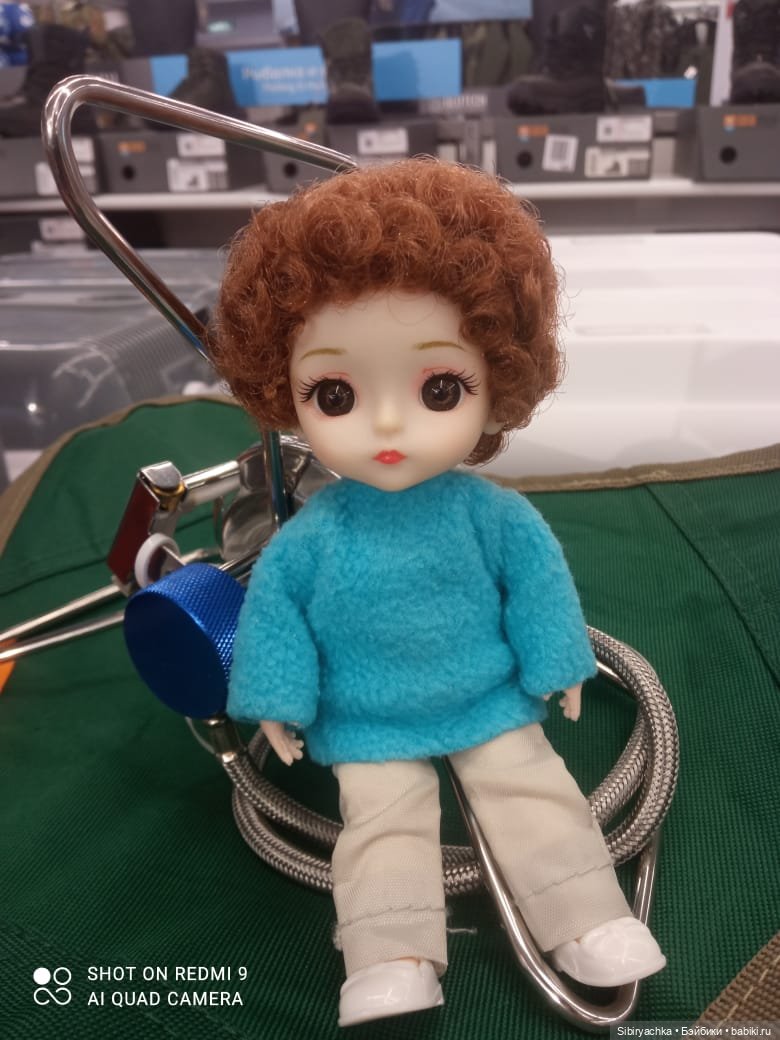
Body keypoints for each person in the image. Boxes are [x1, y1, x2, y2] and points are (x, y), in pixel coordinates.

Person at [210, 159, 666, 1027]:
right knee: (381, 825)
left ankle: (588, 918)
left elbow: (536, 583)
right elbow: (276, 617)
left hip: (485, 697)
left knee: (533, 794)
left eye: (438, 389)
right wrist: (276, 702)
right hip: (366, 717)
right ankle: (390, 956)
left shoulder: (490, 515)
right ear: (283, 388)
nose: (388, 424)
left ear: (500, 377)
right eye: (336, 393)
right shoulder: (310, 539)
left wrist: (559, 661)